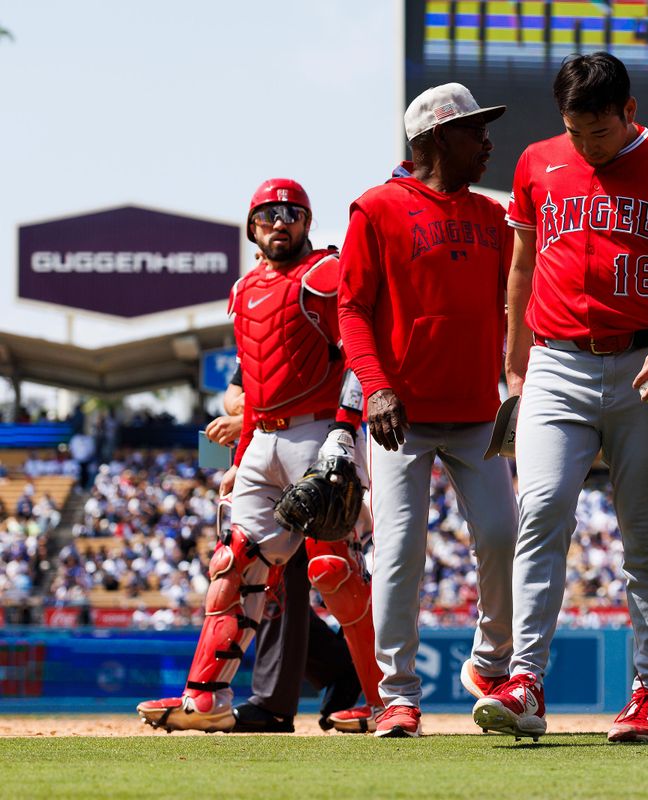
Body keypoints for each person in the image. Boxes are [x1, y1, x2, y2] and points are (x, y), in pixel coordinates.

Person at [471, 52, 648, 743]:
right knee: (542, 511)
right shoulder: (536, 161)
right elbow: (521, 265)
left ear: (630, 113)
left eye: (600, 133)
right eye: (576, 132)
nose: (587, 145)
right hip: (556, 360)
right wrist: (515, 367)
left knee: (646, 534)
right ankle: (524, 679)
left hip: (645, 359)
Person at [137, 179, 384, 732]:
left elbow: (359, 353)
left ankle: (382, 698)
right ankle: (206, 697)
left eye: (291, 212)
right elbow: (252, 383)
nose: (280, 221)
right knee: (233, 561)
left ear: (306, 222)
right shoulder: (244, 289)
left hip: (317, 432)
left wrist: (346, 434)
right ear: (252, 226)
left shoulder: (325, 272)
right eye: (268, 213)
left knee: (332, 570)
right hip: (264, 438)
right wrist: (236, 458)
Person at [338, 83, 518, 739]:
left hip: (476, 412)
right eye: (475, 130)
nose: (488, 141)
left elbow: (520, 306)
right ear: (438, 137)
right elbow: (351, 308)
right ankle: (397, 694)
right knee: (401, 550)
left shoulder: (495, 219)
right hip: (400, 418)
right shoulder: (377, 208)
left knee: (504, 536)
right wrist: (376, 385)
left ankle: (491, 662)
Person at [203, 372, 369, 734]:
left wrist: (253, 414)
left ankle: (278, 701)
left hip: (320, 446)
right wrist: (255, 414)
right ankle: (339, 667)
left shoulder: (312, 315)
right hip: (262, 447)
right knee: (257, 574)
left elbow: (336, 383)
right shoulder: (249, 320)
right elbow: (233, 395)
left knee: (319, 570)